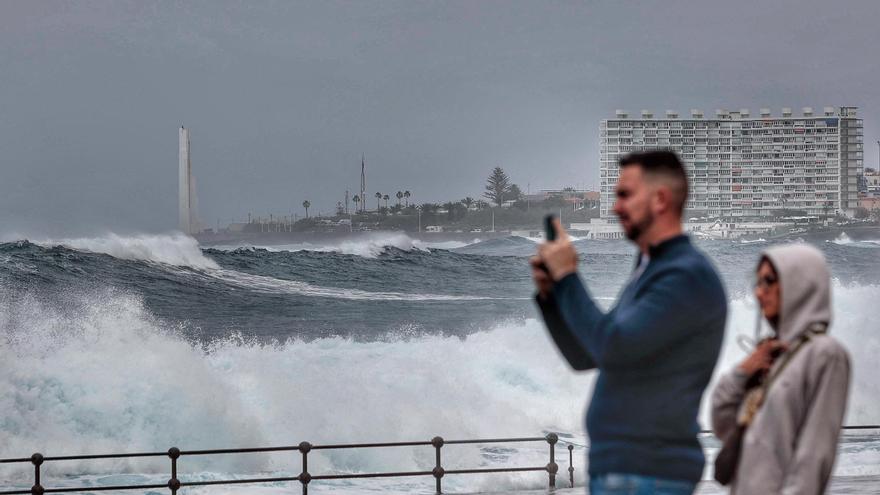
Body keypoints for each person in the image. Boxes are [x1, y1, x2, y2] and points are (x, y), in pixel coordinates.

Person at [532, 150, 727, 494]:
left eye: (625, 195)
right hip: (625, 470)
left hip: (650, 471)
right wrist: (553, 296)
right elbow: (586, 356)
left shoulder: (685, 275)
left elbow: (613, 346)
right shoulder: (650, 270)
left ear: (661, 199)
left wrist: (568, 276)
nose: (615, 207)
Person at [711, 244, 850, 495]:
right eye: (757, 283)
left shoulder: (825, 355)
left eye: (768, 282)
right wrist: (743, 371)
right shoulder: (772, 356)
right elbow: (721, 422)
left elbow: (813, 458)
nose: (758, 293)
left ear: (799, 285)